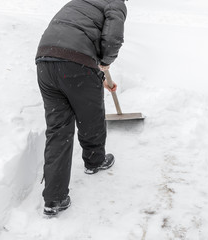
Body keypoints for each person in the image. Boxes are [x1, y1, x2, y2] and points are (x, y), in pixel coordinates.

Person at [35, 0, 127, 217]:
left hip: (45, 61)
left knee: (58, 130)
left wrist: (97, 73)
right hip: (76, 62)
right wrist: (105, 61)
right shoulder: (116, 3)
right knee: (91, 116)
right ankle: (95, 161)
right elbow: (113, 37)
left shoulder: (78, 1)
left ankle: (54, 198)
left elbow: (73, 37)